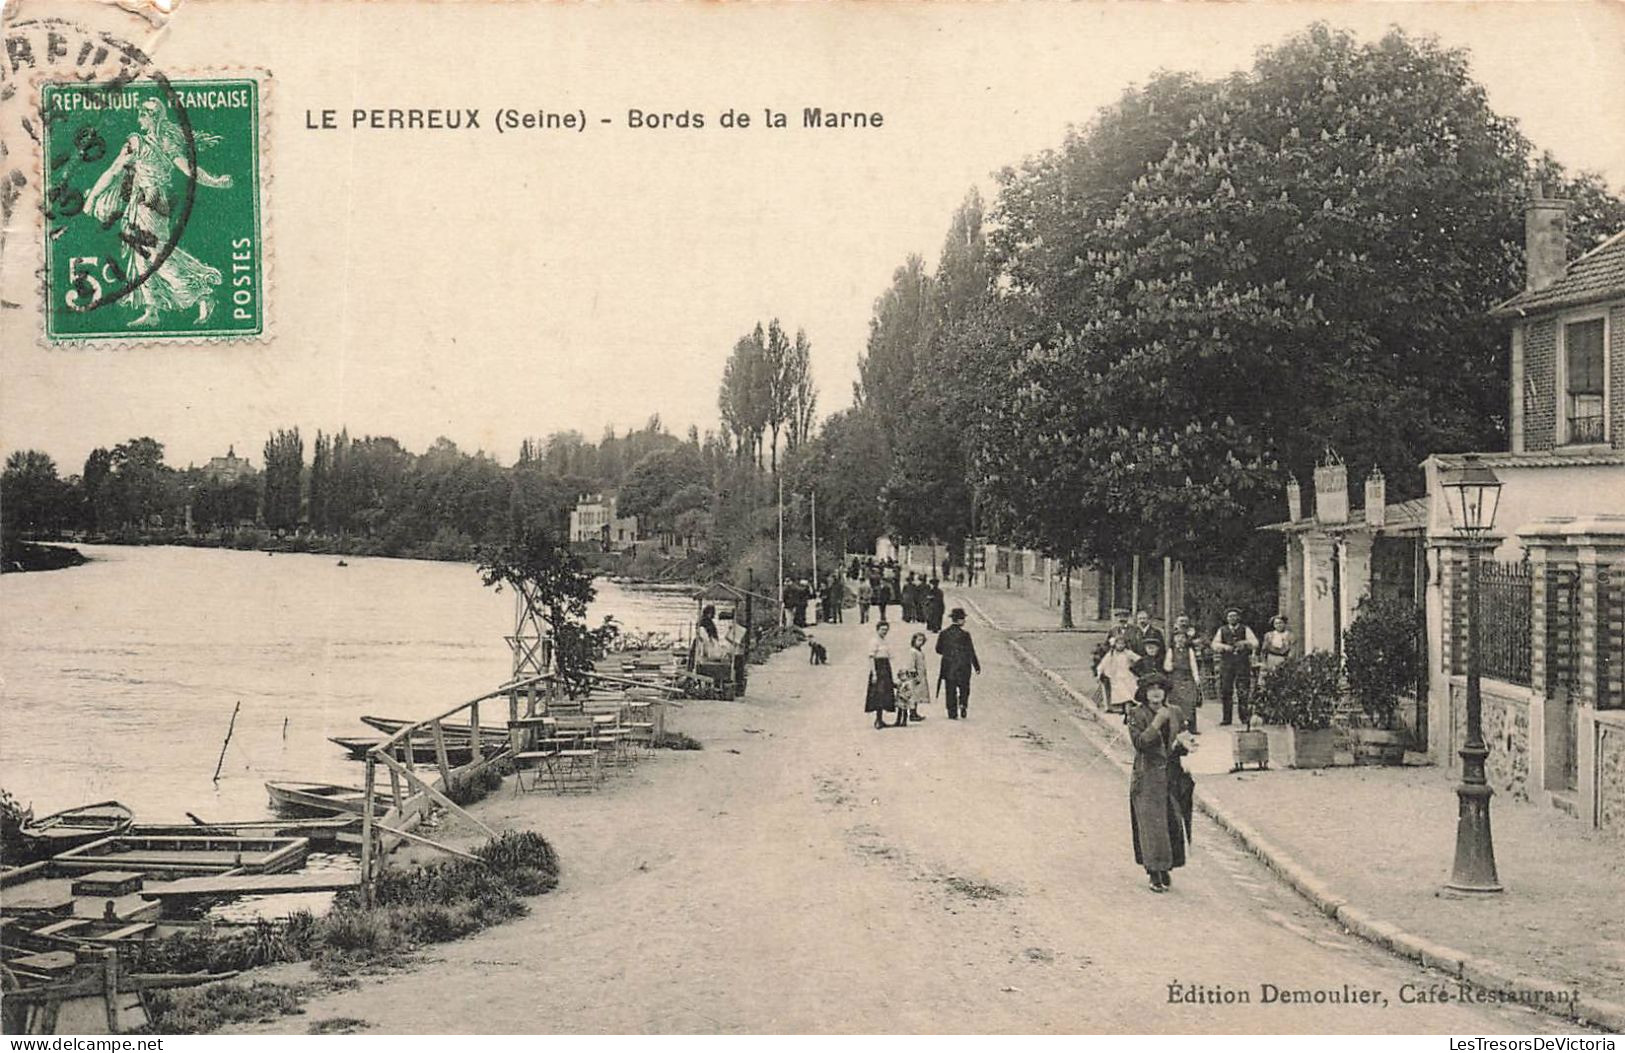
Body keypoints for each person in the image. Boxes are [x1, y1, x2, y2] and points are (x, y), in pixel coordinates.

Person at [84, 98, 235, 327]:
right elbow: (114, 171)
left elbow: (189, 171)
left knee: (155, 255)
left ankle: (201, 294)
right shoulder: (135, 142)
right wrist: (94, 197)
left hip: (154, 203)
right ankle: (152, 310)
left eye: (143, 114)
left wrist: (214, 181)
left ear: (152, 117)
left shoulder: (165, 143)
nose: (139, 118)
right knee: (141, 257)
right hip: (137, 203)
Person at [1126, 676, 1191, 893]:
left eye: (1159, 689)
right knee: (1152, 826)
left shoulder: (1175, 711)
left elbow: (1181, 739)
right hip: (1147, 776)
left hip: (1172, 773)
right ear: (1144, 694)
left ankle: (1166, 867)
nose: (1156, 693)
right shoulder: (1137, 714)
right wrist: (1157, 722)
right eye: (1151, 689)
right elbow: (1141, 743)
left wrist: (1184, 745)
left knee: (1171, 822)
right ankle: (1154, 871)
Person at [1211, 607, 1260, 726]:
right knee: (1226, 690)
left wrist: (1245, 643)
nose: (1232, 618)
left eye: (1234, 616)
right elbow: (1214, 644)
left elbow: (1255, 643)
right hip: (1226, 664)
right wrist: (1224, 647)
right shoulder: (1222, 630)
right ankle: (1226, 718)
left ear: (1238, 617)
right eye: (1230, 616)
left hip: (1242, 663)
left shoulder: (1245, 629)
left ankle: (1244, 717)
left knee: (1243, 689)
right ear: (1227, 618)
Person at [935, 607, 981, 719]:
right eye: (963, 619)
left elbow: (938, 649)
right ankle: (963, 704)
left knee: (950, 689)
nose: (964, 621)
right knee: (964, 687)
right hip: (964, 666)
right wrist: (976, 666)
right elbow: (971, 651)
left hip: (949, 665)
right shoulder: (965, 635)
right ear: (960, 620)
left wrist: (948, 653)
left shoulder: (944, 633)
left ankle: (952, 712)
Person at [1164, 613, 1204, 734]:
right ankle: (1178, 727)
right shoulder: (1171, 650)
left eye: (1182, 637)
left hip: (1187, 677)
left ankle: (1192, 727)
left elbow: (1193, 664)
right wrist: (1172, 667)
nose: (1180, 640)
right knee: (1176, 702)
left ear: (1186, 639)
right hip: (1175, 677)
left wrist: (1196, 678)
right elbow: (1167, 665)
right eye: (1177, 637)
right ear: (1174, 639)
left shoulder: (1189, 650)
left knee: (1190, 702)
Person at [1095, 634, 1141, 713]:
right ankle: (1122, 707)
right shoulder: (1112, 654)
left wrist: (1135, 666)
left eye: (1122, 644)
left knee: (1131, 689)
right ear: (1115, 644)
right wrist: (1099, 673)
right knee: (1121, 690)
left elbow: (1139, 659)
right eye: (1118, 644)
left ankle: (1127, 708)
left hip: (1127, 675)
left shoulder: (1128, 653)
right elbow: (1103, 664)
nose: (1120, 646)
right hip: (1116, 677)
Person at [866, 621, 898, 730]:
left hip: (886, 667)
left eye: (886, 630)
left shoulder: (885, 641)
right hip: (878, 668)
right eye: (882, 629)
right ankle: (878, 719)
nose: (884, 632)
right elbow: (871, 658)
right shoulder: (874, 641)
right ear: (877, 629)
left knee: (886, 693)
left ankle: (881, 719)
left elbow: (890, 656)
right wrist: (874, 673)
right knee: (878, 694)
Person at [897, 631, 931, 723]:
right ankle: (911, 713)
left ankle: (914, 712)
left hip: (920, 675)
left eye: (922, 640)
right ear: (914, 640)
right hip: (915, 677)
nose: (920, 642)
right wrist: (914, 675)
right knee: (913, 695)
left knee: (917, 695)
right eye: (918, 640)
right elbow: (911, 665)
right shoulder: (912, 652)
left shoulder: (919, 651)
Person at [1260, 615, 1294, 681]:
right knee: (1270, 678)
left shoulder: (1290, 635)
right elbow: (1264, 650)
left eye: (1281, 623)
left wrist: (1288, 661)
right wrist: (1264, 662)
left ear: (1284, 624)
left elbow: (1292, 649)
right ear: (1274, 625)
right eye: (1276, 623)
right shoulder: (1269, 635)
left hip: (1284, 659)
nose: (1279, 625)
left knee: (1283, 679)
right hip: (1271, 659)